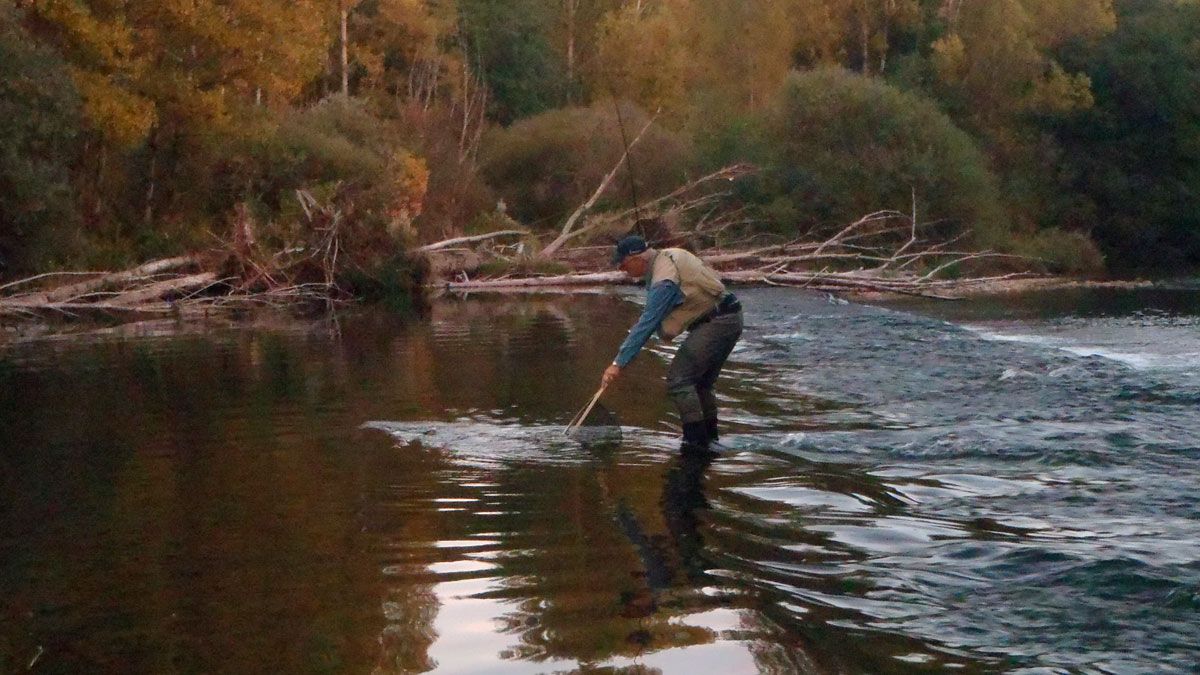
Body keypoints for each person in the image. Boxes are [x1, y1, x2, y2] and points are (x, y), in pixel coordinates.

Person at [602, 235, 743, 449]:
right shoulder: (671, 256)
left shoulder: (663, 281)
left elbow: (647, 324)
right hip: (730, 316)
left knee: (679, 380)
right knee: (701, 384)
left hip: (718, 322)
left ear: (636, 258)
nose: (623, 270)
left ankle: (694, 443)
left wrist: (618, 363)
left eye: (623, 265)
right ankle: (710, 441)